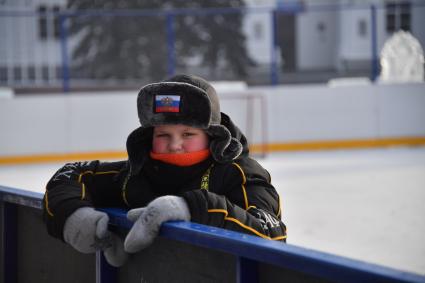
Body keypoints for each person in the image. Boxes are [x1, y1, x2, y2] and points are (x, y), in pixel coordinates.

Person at [43, 74, 287, 267]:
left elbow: (271, 234)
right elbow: (71, 174)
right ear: (150, 137)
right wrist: (73, 216)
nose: (174, 144)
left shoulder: (241, 174)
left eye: (188, 134)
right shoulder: (135, 174)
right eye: (163, 134)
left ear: (213, 137)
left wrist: (193, 207)